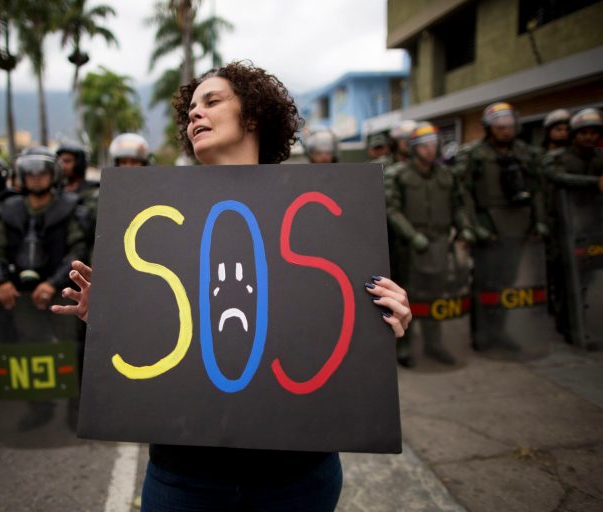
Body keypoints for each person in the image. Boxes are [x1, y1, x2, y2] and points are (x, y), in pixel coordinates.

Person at [53, 61, 412, 511]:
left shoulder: (327, 208)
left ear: (255, 116)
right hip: (185, 473)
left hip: (298, 473)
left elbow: (333, 314)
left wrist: (385, 317)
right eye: (191, 111)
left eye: (212, 101)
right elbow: (163, 330)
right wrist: (111, 315)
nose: (195, 116)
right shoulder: (155, 208)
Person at [0, 151, 89, 430]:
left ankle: (78, 408)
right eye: (30, 174)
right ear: (21, 177)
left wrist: (53, 283)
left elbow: (78, 249)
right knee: (30, 349)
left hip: (61, 291)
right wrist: (1, 282)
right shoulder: (9, 209)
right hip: (21, 294)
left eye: (42, 173)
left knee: (73, 348)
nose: (36, 179)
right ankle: (39, 407)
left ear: (53, 176)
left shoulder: (70, 207)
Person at [454, 102, 548, 352]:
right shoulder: (474, 154)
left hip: (519, 224)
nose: (505, 131)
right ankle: (482, 333)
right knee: (486, 282)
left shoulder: (527, 153)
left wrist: (539, 220)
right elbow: (463, 193)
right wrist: (473, 225)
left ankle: (500, 330)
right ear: (489, 128)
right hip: (489, 226)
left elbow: (538, 189)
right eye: (499, 127)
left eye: (509, 127)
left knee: (509, 281)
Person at [385, 122, 475, 367]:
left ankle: (434, 344)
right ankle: (404, 345)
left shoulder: (447, 174)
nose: (430, 150)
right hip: (410, 247)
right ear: (414, 148)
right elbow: (391, 209)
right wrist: (411, 235)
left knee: (436, 295)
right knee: (409, 295)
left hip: (439, 243)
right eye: (424, 146)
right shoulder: (398, 174)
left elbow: (458, 205)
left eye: (434, 145)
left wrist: (465, 227)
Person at [542, 107, 603, 344]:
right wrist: (594, 183)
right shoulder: (557, 158)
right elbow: (558, 178)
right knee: (563, 278)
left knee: (584, 279)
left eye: (593, 132)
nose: (588, 137)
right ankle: (566, 323)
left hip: (590, 228)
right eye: (583, 132)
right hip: (562, 229)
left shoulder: (599, 158)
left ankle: (575, 322)